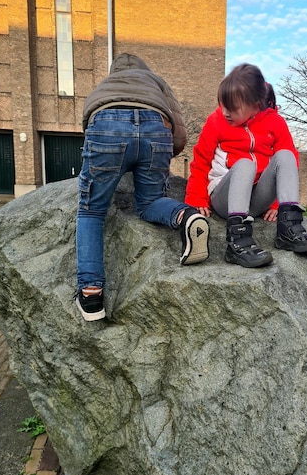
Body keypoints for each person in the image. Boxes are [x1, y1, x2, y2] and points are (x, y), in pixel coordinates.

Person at [75, 53, 209, 321]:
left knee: (91, 211)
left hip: (107, 126)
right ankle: (186, 216)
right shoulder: (156, 82)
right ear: (144, 70)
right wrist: (162, 155)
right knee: (149, 203)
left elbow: (89, 126)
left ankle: (91, 295)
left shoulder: (106, 85)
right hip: (156, 128)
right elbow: (179, 134)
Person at [185, 63, 307, 268]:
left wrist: (277, 204)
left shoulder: (275, 122)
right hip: (225, 199)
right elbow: (201, 161)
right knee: (245, 164)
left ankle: (289, 229)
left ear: (256, 105)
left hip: (256, 200)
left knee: (286, 155)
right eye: (223, 105)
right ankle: (237, 242)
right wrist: (196, 198)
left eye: (232, 108)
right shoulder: (216, 122)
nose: (225, 112)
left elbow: (287, 164)